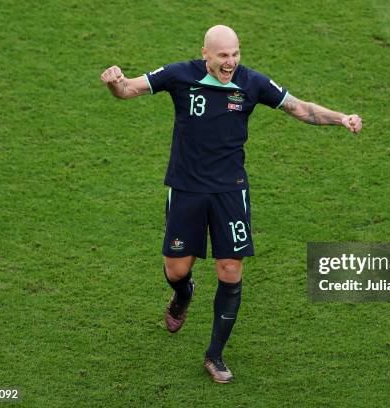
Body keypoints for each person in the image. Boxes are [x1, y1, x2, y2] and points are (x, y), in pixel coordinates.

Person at [100, 25, 362, 384]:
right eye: (223, 55)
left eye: (236, 53)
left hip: (229, 191)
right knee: (176, 270)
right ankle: (183, 294)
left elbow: (298, 108)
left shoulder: (252, 83)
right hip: (187, 189)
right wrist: (114, 81)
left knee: (230, 270)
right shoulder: (179, 75)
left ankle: (214, 356)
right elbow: (128, 89)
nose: (231, 62)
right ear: (205, 54)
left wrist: (340, 118)